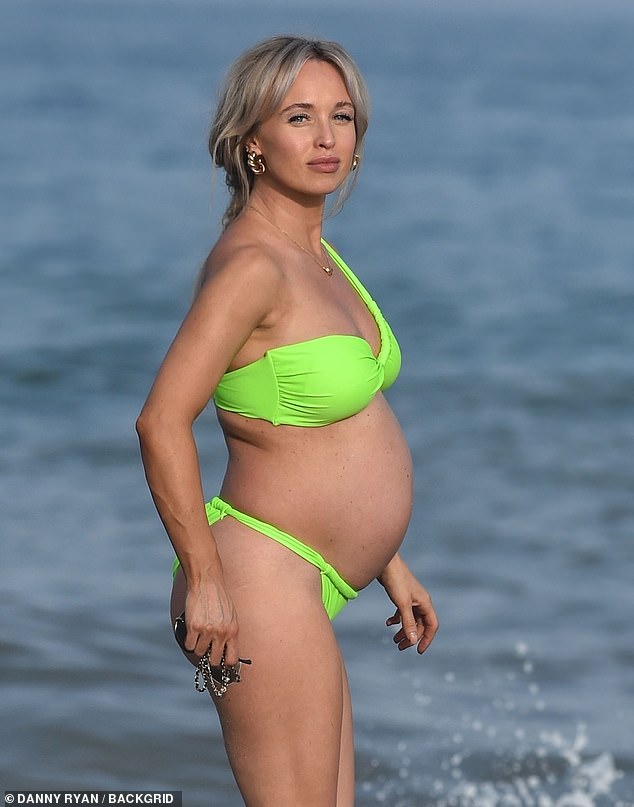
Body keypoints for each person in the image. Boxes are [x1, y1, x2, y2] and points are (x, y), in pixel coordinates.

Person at [136, 34, 438, 807]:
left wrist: (386, 560)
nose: (328, 137)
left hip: (314, 579)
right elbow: (162, 420)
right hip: (254, 581)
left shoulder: (321, 257)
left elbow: (334, 431)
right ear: (253, 144)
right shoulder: (252, 267)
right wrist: (204, 577)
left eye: (342, 116)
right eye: (299, 117)